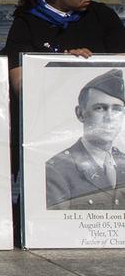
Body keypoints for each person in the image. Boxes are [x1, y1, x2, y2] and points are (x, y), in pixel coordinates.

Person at [0, 0, 125, 96]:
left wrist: (88, 65)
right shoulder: (27, 22)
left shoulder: (103, 16)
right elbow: (19, 85)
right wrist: (60, 67)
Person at [46, 68, 125, 210]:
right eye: (100, 108)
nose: (109, 118)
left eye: (117, 109)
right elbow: (55, 227)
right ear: (80, 114)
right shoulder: (57, 169)